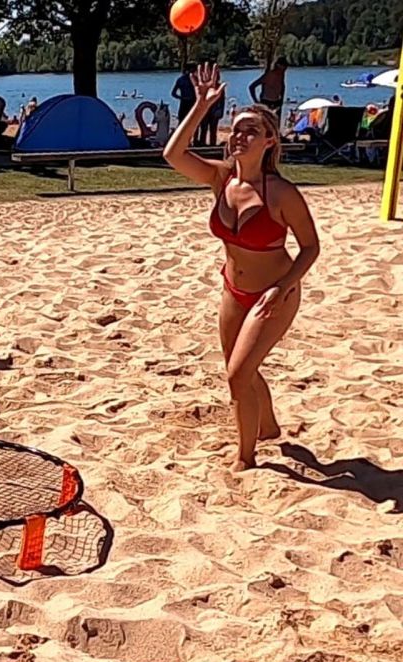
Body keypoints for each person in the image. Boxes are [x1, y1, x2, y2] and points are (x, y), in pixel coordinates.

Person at [163, 63, 319, 472]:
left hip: (275, 294)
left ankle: (246, 457)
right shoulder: (221, 180)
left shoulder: (282, 193)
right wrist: (201, 106)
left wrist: (282, 287)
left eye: (250, 130)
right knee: (241, 367)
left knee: (237, 374)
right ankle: (268, 426)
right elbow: (172, 154)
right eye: (235, 129)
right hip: (233, 290)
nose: (239, 136)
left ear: (269, 141)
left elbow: (310, 247)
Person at [248, 57, 288, 121]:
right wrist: (256, 102)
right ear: (278, 66)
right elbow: (251, 87)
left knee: (275, 124)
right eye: (283, 68)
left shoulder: (281, 75)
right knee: (266, 123)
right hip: (266, 102)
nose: (284, 71)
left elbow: (282, 87)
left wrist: (281, 100)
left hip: (276, 103)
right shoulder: (268, 75)